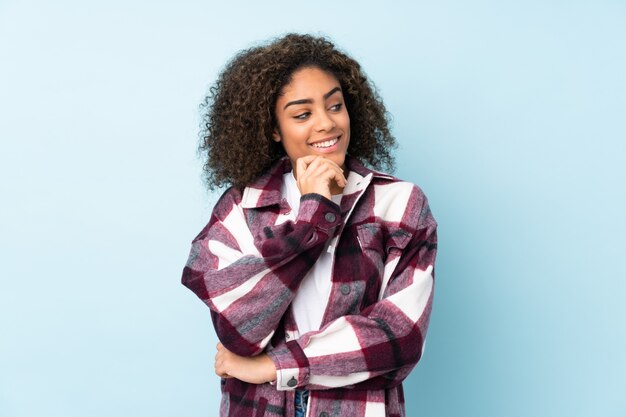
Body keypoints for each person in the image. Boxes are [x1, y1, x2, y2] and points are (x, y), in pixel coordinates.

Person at [181, 33, 438, 417]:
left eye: (335, 106)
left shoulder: (399, 204)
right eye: (302, 114)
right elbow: (239, 329)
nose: (326, 124)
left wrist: (274, 366)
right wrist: (313, 216)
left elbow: (399, 337)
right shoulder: (241, 206)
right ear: (273, 128)